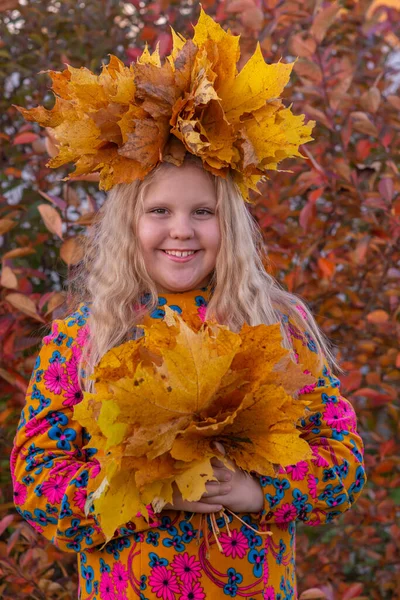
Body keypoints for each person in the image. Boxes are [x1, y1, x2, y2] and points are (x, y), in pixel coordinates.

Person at [11, 10, 366, 600]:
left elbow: (343, 460)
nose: (182, 231)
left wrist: (262, 489)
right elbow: (36, 483)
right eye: (160, 212)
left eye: (203, 212)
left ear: (228, 222)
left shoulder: (272, 328)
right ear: (130, 225)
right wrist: (147, 490)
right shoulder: (86, 337)